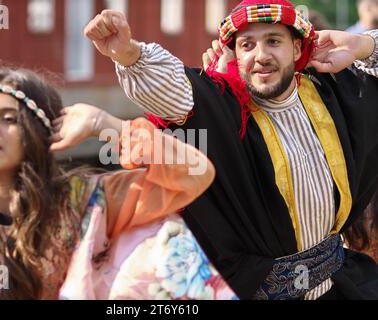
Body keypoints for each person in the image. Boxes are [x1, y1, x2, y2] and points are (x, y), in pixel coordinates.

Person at [84, 0, 378, 299]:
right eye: (247, 45)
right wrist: (127, 51)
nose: (260, 56)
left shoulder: (330, 90)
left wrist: (362, 44)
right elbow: (174, 91)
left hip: (340, 287)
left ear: (298, 49)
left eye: (273, 41)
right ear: (235, 55)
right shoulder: (223, 108)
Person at [0, 67, 226, 299]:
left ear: (37, 133)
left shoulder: (86, 201)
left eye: (8, 119)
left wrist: (104, 124)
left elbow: (196, 172)